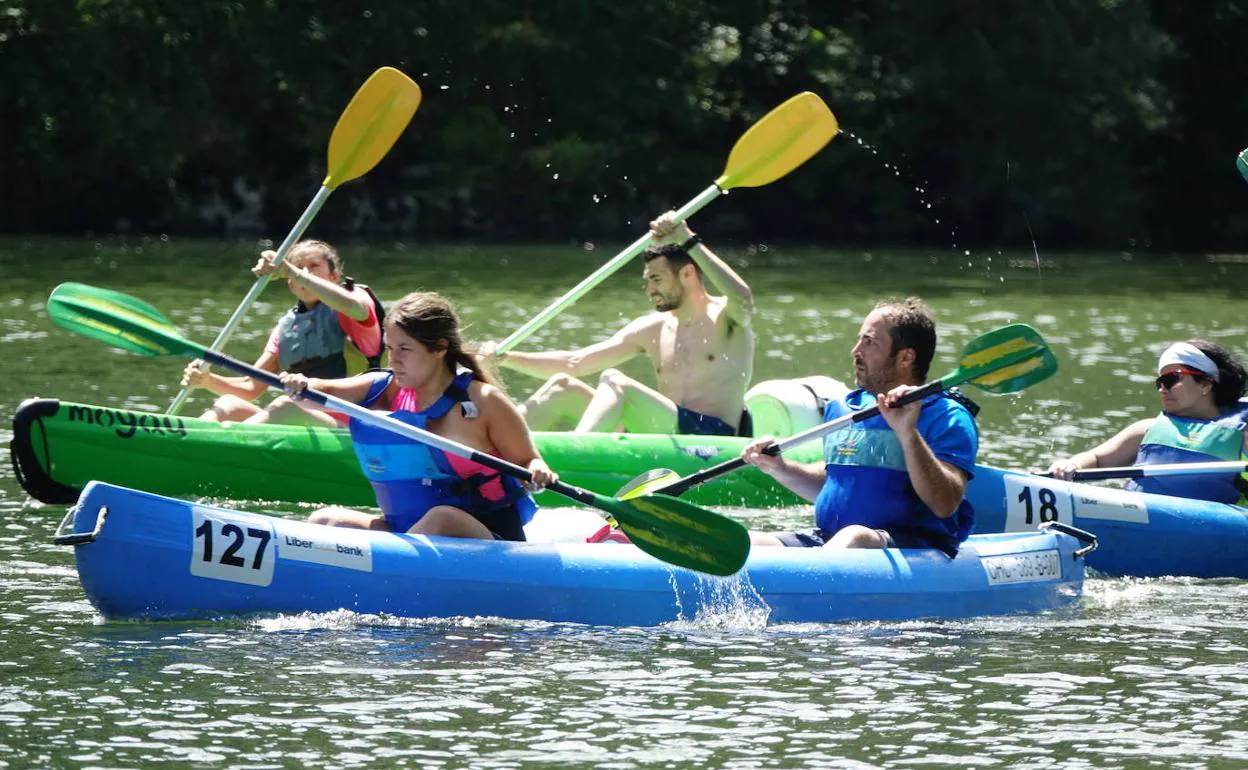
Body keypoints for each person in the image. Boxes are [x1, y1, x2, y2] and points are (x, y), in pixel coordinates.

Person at [280, 291, 557, 541]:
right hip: (406, 533)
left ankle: (388, 576)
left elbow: (527, 462)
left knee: (441, 518)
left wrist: (537, 471)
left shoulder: (483, 401)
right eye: (390, 348)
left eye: (405, 349)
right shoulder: (382, 389)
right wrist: (301, 385)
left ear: (439, 348)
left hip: (488, 538)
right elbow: (321, 391)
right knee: (326, 520)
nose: (393, 361)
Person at [740, 298, 978, 556]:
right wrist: (780, 468)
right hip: (829, 542)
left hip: (912, 547)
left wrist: (907, 433)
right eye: (859, 340)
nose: (856, 351)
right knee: (747, 542)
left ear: (906, 357)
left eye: (870, 342)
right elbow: (836, 481)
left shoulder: (947, 416)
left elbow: (945, 504)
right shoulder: (843, 408)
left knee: (854, 535)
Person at [482, 211, 755, 435]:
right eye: (646, 281)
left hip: (712, 438)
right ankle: (493, 449)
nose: (649, 290)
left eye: (657, 280)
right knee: (562, 386)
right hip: (663, 433)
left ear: (687, 273)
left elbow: (742, 297)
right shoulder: (652, 328)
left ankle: (578, 452)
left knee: (616, 382)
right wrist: (506, 358)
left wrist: (686, 238)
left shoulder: (726, 318)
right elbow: (575, 363)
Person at [179, 239, 384, 426]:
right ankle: (184, 442)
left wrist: (294, 271)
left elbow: (356, 308)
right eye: (299, 268)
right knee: (229, 404)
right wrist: (207, 380)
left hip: (356, 428)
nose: (306, 273)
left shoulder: (354, 299)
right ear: (289, 283)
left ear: (334, 276)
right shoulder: (286, 328)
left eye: (314, 266)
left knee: (285, 407)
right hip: (308, 422)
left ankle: (220, 446)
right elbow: (251, 386)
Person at [1047, 340, 1248, 504]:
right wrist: (1070, 464)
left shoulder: (1243, 433)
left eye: (1171, 380)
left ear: (1205, 384)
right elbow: (1097, 458)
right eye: (1159, 383)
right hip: (1142, 517)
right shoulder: (1146, 429)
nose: (1163, 389)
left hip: (1217, 526)